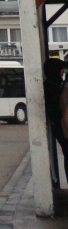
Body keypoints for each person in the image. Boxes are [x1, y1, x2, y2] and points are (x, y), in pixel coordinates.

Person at [45, 57, 66, 188]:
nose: (63, 73)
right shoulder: (53, 88)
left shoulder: (53, 85)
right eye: (61, 70)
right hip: (62, 127)